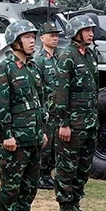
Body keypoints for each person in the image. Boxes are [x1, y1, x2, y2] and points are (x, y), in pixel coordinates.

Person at [0, 20, 48, 211]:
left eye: (33, 37)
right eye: (27, 37)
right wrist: (6, 135)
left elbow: (40, 102)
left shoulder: (33, 68)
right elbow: (0, 106)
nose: (32, 40)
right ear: (15, 41)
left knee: (30, 183)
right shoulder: (5, 69)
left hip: (33, 137)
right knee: (11, 184)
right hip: (15, 139)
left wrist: (41, 131)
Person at [52, 14, 100, 211]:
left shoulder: (90, 56)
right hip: (73, 122)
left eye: (92, 30)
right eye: (87, 30)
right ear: (76, 33)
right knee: (67, 165)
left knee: (84, 164)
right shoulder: (67, 56)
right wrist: (64, 123)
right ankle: (64, 206)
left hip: (89, 120)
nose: (91, 33)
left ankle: (76, 203)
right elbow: (61, 93)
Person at [36, 22, 62, 190]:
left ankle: (47, 174)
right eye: (51, 35)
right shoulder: (39, 60)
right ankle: (40, 175)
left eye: (56, 35)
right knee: (45, 144)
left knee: (54, 145)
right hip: (46, 109)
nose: (55, 37)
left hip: (57, 109)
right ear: (42, 38)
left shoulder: (57, 58)